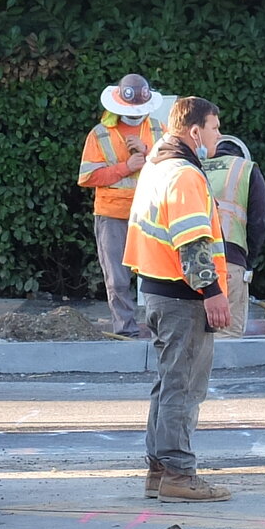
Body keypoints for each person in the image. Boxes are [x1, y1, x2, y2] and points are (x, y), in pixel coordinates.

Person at [123, 95, 235, 501]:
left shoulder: (156, 166)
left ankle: (159, 471)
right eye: (214, 127)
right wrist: (212, 293)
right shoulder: (185, 174)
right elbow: (191, 242)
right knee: (184, 387)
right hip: (182, 296)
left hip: (156, 292)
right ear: (194, 131)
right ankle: (177, 474)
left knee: (168, 383)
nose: (218, 135)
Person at [79, 74, 159, 337]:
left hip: (151, 213)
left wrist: (147, 153)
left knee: (157, 275)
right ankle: (125, 330)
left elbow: (176, 166)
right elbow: (88, 177)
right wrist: (127, 167)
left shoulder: (159, 130)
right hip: (113, 215)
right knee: (117, 279)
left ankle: (159, 328)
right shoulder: (100, 134)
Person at [198, 132, 265, 337]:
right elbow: (259, 223)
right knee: (226, 337)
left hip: (190, 262)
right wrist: (247, 262)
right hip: (229, 260)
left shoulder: (193, 167)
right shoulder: (245, 169)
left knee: (194, 339)